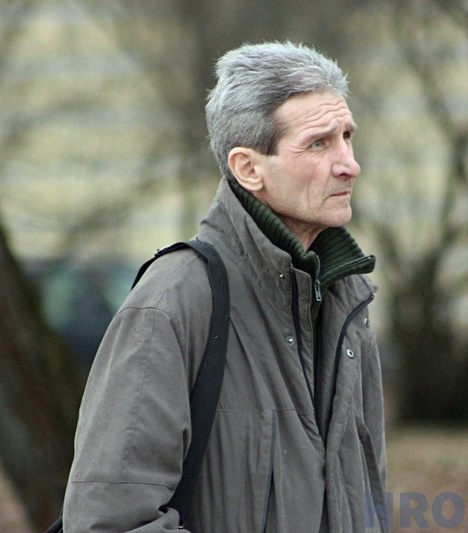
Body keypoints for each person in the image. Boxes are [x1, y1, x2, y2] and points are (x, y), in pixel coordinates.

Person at [62, 41, 387, 532]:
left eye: (346, 136)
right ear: (248, 169)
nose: (349, 163)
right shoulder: (174, 300)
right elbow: (110, 521)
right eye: (319, 144)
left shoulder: (346, 298)